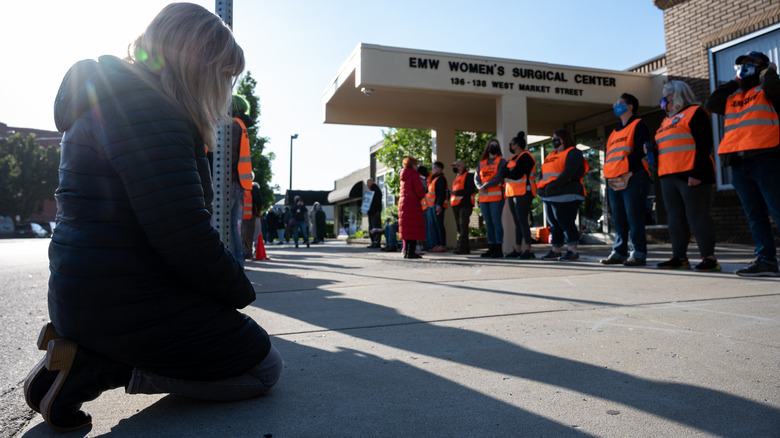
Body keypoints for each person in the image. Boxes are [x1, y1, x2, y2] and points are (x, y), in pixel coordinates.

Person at [24, 4, 281, 432]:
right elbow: (183, 236)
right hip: (116, 300)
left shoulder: (114, 98)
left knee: (235, 339)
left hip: (87, 294)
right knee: (262, 367)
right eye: (222, 75)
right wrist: (238, 289)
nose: (224, 88)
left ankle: (85, 355)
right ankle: (97, 367)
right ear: (195, 64)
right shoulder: (150, 112)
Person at [705, 51, 780, 277]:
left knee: (778, 210)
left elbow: (775, 90)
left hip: (767, 159)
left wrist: (769, 72)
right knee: (755, 215)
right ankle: (766, 260)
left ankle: (766, 259)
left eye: (750, 64)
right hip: (739, 163)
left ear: (762, 68)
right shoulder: (732, 97)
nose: (743, 67)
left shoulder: (768, 89)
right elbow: (711, 103)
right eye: (740, 65)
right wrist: (734, 82)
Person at [651, 80, 719, 272]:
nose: (662, 99)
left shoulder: (695, 112)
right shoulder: (665, 121)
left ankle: (709, 259)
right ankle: (679, 257)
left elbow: (704, 144)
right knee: (675, 219)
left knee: (698, 217)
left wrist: (697, 173)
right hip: (667, 175)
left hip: (691, 174)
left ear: (676, 95)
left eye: (665, 95)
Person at [600, 93, 651, 267]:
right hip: (615, 178)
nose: (615, 105)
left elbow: (640, 151)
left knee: (634, 216)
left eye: (619, 103)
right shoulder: (614, 132)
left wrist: (625, 167)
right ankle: (619, 251)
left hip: (633, 176)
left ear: (630, 107)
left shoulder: (639, 125)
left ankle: (638, 253)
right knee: (619, 218)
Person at [537, 129, 589, 261]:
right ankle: (556, 251)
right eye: (553, 138)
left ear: (564, 139)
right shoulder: (550, 156)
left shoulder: (573, 153)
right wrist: (541, 188)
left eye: (557, 138)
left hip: (567, 194)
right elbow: (542, 174)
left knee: (566, 223)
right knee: (554, 225)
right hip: (550, 195)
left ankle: (573, 251)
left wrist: (552, 186)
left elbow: (569, 173)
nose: (554, 140)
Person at [504, 131, 537, 259]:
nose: (510, 146)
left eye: (511, 144)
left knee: (523, 220)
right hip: (512, 193)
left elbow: (517, 173)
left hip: (524, 192)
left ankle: (528, 249)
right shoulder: (512, 159)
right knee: (517, 222)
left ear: (516, 145)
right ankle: (518, 249)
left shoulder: (526, 156)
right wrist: (509, 171)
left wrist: (509, 171)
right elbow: (504, 171)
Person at [475, 139, 507, 258]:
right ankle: (491, 248)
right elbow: (476, 176)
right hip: (483, 198)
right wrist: (479, 186)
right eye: (491, 145)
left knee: (496, 222)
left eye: (496, 146)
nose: (493, 147)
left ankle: (499, 249)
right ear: (488, 147)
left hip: (496, 197)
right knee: (488, 223)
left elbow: (499, 176)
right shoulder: (482, 162)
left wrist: (486, 185)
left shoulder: (501, 161)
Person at [398, 157, 426, 259]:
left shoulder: (403, 175)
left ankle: (407, 252)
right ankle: (411, 252)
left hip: (404, 203)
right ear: (412, 165)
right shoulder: (414, 175)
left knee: (407, 229)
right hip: (412, 203)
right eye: (416, 164)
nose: (417, 166)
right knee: (414, 227)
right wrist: (423, 192)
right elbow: (419, 190)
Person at [450, 160, 476, 254]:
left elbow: (471, 189)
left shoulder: (468, 176)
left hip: (465, 204)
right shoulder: (457, 177)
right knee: (459, 227)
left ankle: (462, 248)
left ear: (462, 166)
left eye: (456, 165)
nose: (454, 167)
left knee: (463, 226)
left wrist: (457, 193)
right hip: (456, 205)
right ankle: (466, 247)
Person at [425, 162, 448, 252]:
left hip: (437, 206)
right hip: (432, 206)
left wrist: (439, 205)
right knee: (434, 226)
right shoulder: (433, 178)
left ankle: (442, 245)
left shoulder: (441, 179)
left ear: (440, 169)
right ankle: (437, 245)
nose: (433, 169)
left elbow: (442, 193)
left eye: (435, 167)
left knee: (439, 225)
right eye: (433, 167)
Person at [242, 181, 262, 259]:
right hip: (250, 215)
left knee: (242, 235)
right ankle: (248, 253)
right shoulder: (254, 187)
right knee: (249, 235)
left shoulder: (242, 186)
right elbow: (259, 201)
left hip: (240, 215)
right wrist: (258, 211)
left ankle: (243, 252)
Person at [366, 178, 383, 249]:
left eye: (368, 183)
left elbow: (375, 203)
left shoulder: (374, 190)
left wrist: (370, 210)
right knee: (373, 228)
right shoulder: (374, 190)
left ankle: (375, 242)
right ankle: (375, 242)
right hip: (373, 212)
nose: (367, 185)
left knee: (374, 228)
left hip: (374, 212)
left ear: (371, 183)